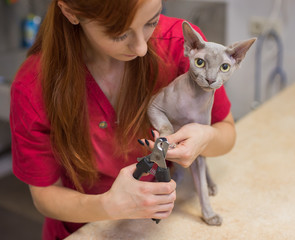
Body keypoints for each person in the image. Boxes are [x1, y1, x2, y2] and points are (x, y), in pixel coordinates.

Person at [10, 0, 236, 239]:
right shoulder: (33, 86)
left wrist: (206, 137)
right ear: (71, 12)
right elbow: (45, 196)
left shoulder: (183, 45)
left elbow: (226, 133)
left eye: (152, 21)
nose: (141, 48)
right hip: (82, 229)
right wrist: (107, 205)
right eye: (119, 34)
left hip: (156, 227)